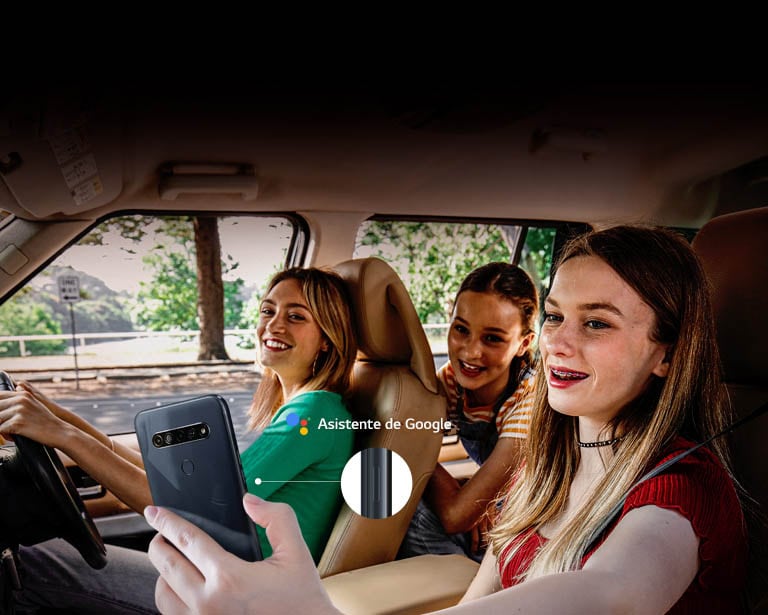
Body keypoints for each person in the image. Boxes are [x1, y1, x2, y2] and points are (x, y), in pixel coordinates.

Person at [146, 225, 748, 614]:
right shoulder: (548, 465)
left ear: (667, 352)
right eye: (557, 317)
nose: (558, 343)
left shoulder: (680, 488)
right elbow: (482, 595)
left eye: (597, 323)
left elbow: (611, 594)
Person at [0, 266, 357, 613]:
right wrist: (61, 418)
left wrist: (62, 433)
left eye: (296, 317)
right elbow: (183, 492)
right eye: (268, 310)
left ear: (326, 339)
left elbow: (197, 513)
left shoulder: (314, 412)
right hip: (215, 570)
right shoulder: (308, 408)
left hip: (234, 589)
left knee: (29, 564)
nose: (274, 324)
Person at [399, 263, 537, 561]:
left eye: (493, 338)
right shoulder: (451, 381)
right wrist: (477, 497)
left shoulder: (529, 402)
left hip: (536, 524)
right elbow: (413, 445)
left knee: (418, 516)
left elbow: (455, 516)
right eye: (461, 329)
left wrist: (472, 501)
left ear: (524, 343)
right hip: (503, 506)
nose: (471, 352)